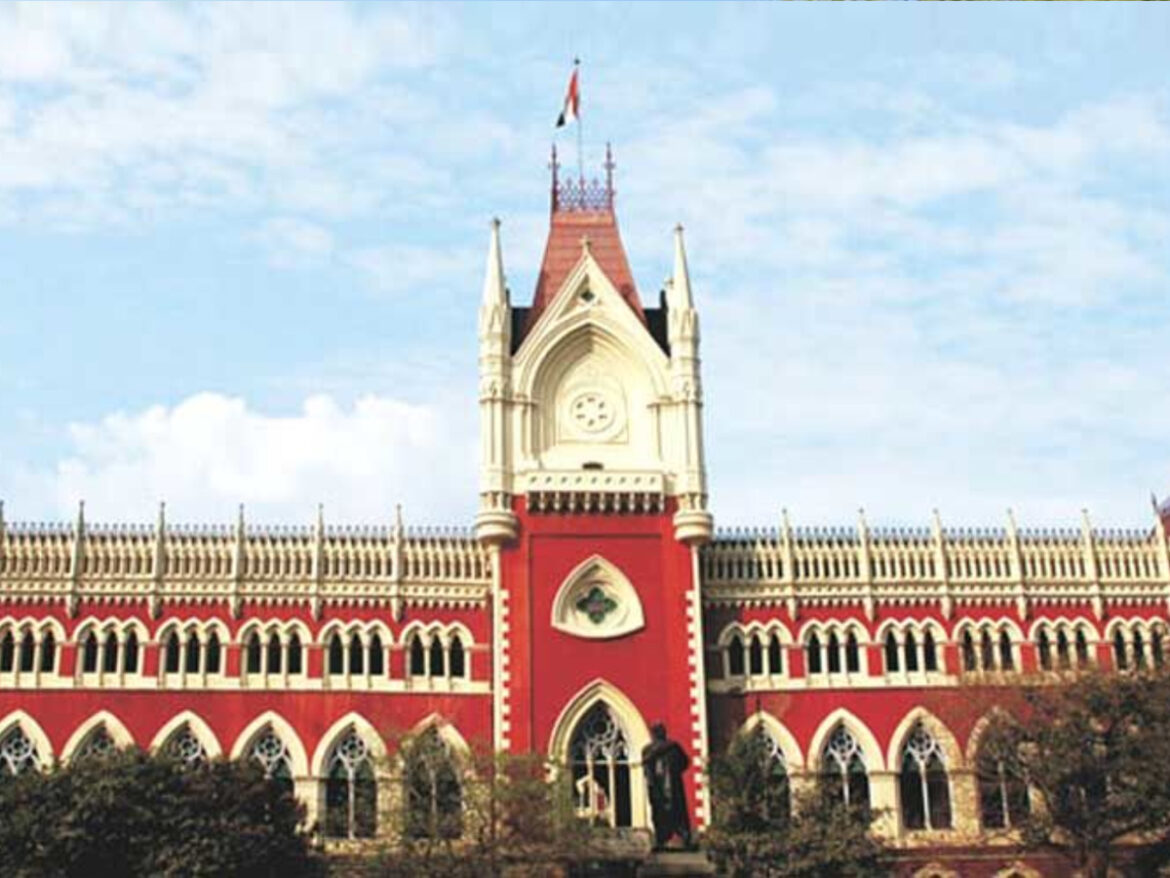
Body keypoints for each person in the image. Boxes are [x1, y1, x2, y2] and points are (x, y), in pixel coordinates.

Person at [642, 722, 691, 850]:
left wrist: (652, 784)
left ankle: (663, 839)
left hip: (657, 789)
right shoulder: (674, 747)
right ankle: (681, 838)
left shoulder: (648, 751)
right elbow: (685, 763)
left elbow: (646, 770)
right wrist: (674, 772)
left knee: (660, 815)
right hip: (673, 786)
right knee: (677, 813)